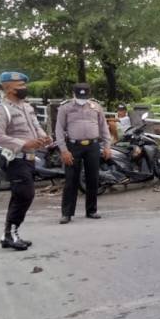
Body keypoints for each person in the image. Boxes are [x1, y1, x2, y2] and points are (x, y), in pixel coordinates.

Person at [0, 71, 53, 251]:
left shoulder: (27, 107)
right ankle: (10, 234)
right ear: (8, 89)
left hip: (30, 158)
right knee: (25, 195)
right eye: (20, 86)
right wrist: (24, 143)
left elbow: (36, 126)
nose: (24, 88)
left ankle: (8, 234)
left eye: (24, 85)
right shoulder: (1, 110)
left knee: (19, 196)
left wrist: (43, 137)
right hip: (15, 160)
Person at [55, 83, 112, 224]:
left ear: (89, 94)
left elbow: (103, 126)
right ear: (74, 94)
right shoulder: (65, 107)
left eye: (85, 96)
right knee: (71, 180)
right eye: (80, 96)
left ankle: (91, 210)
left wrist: (107, 146)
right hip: (73, 146)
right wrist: (64, 150)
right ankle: (67, 213)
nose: (83, 99)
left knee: (93, 178)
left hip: (93, 145)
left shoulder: (96, 107)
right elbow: (59, 130)